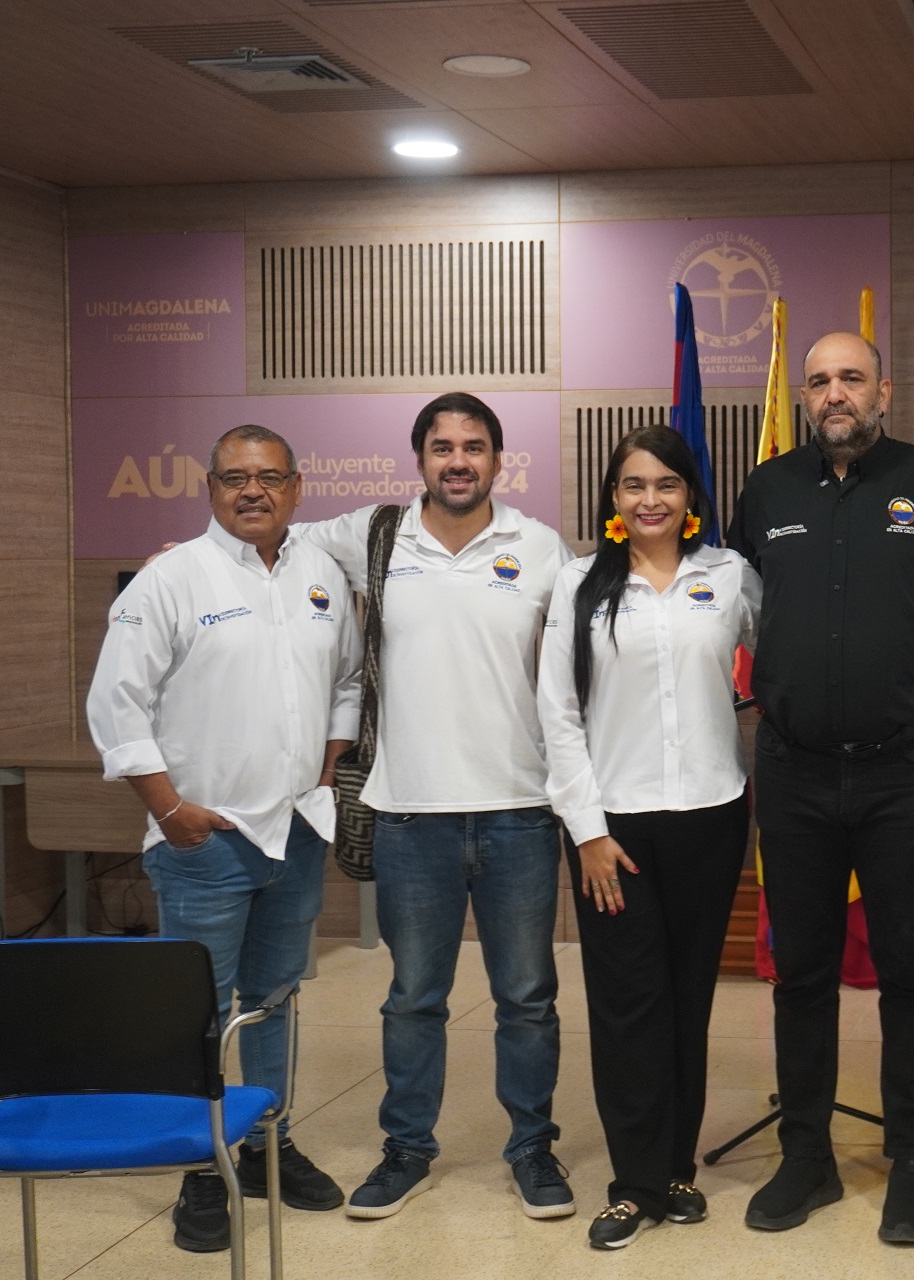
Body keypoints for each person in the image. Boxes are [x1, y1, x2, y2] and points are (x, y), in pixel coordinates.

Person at [726, 332, 914, 1243]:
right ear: (804, 396)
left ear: (885, 389)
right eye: (820, 380)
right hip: (792, 770)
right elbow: (736, 610)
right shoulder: (768, 490)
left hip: (903, 770)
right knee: (801, 975)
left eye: (852, 378)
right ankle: (808, 1157)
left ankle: (913, 1156)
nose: (835, 393)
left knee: (911, 972)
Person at [294, 392, 577, 1222]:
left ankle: (532, 1149)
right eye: (443, 447)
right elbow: (276, 545)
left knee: (527, 995)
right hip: (409, 814)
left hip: (520, 811)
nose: (459, 460)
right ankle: (407, 1150)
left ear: (499, 458)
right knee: (414, 996)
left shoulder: (539, 546)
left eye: (475, 446)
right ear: (419, 458)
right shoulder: (372, 535)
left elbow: (572, 669)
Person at [88, 424, 362, 1253]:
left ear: (298, 489)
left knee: (274, 999)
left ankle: (265, 1139)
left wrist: (326, 766)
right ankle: (201, 1169)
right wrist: (172, 813)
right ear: (209, 488)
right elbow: (116, 705)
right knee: (198, 1013)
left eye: (271, 478)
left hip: (296, 833)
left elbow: (347, 679)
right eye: (236, 478)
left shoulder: (322, 576)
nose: (254, 491)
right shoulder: (171, 578)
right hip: (204, 840)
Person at [536, 425, 760, 1250]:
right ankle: (633, 1182)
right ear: (613, 500)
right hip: (613, 829)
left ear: (690, 496)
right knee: (630, 1002)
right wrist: (586, 830)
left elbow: (782, 664)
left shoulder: (730, 576)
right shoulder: (580, 585)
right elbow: (557, 711)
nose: (651, 499)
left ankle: (677, 1168)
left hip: (711, 814)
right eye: (633, 485)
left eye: (666, 484)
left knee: (688, 997)